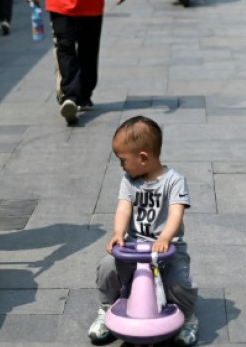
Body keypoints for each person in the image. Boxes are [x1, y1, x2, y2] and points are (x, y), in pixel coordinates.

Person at [88, 116, 199, 346]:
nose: (122, 166)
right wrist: (118, 233)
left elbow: (176, 214)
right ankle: (106, 308)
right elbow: (123, 208)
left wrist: (165, 238)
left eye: (123, 160)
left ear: (142, 158)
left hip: (167, 248)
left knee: (179, 281)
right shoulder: (129, 181)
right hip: (133, 247)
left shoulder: (175, 181)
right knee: (107, 268)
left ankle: (188, 319)